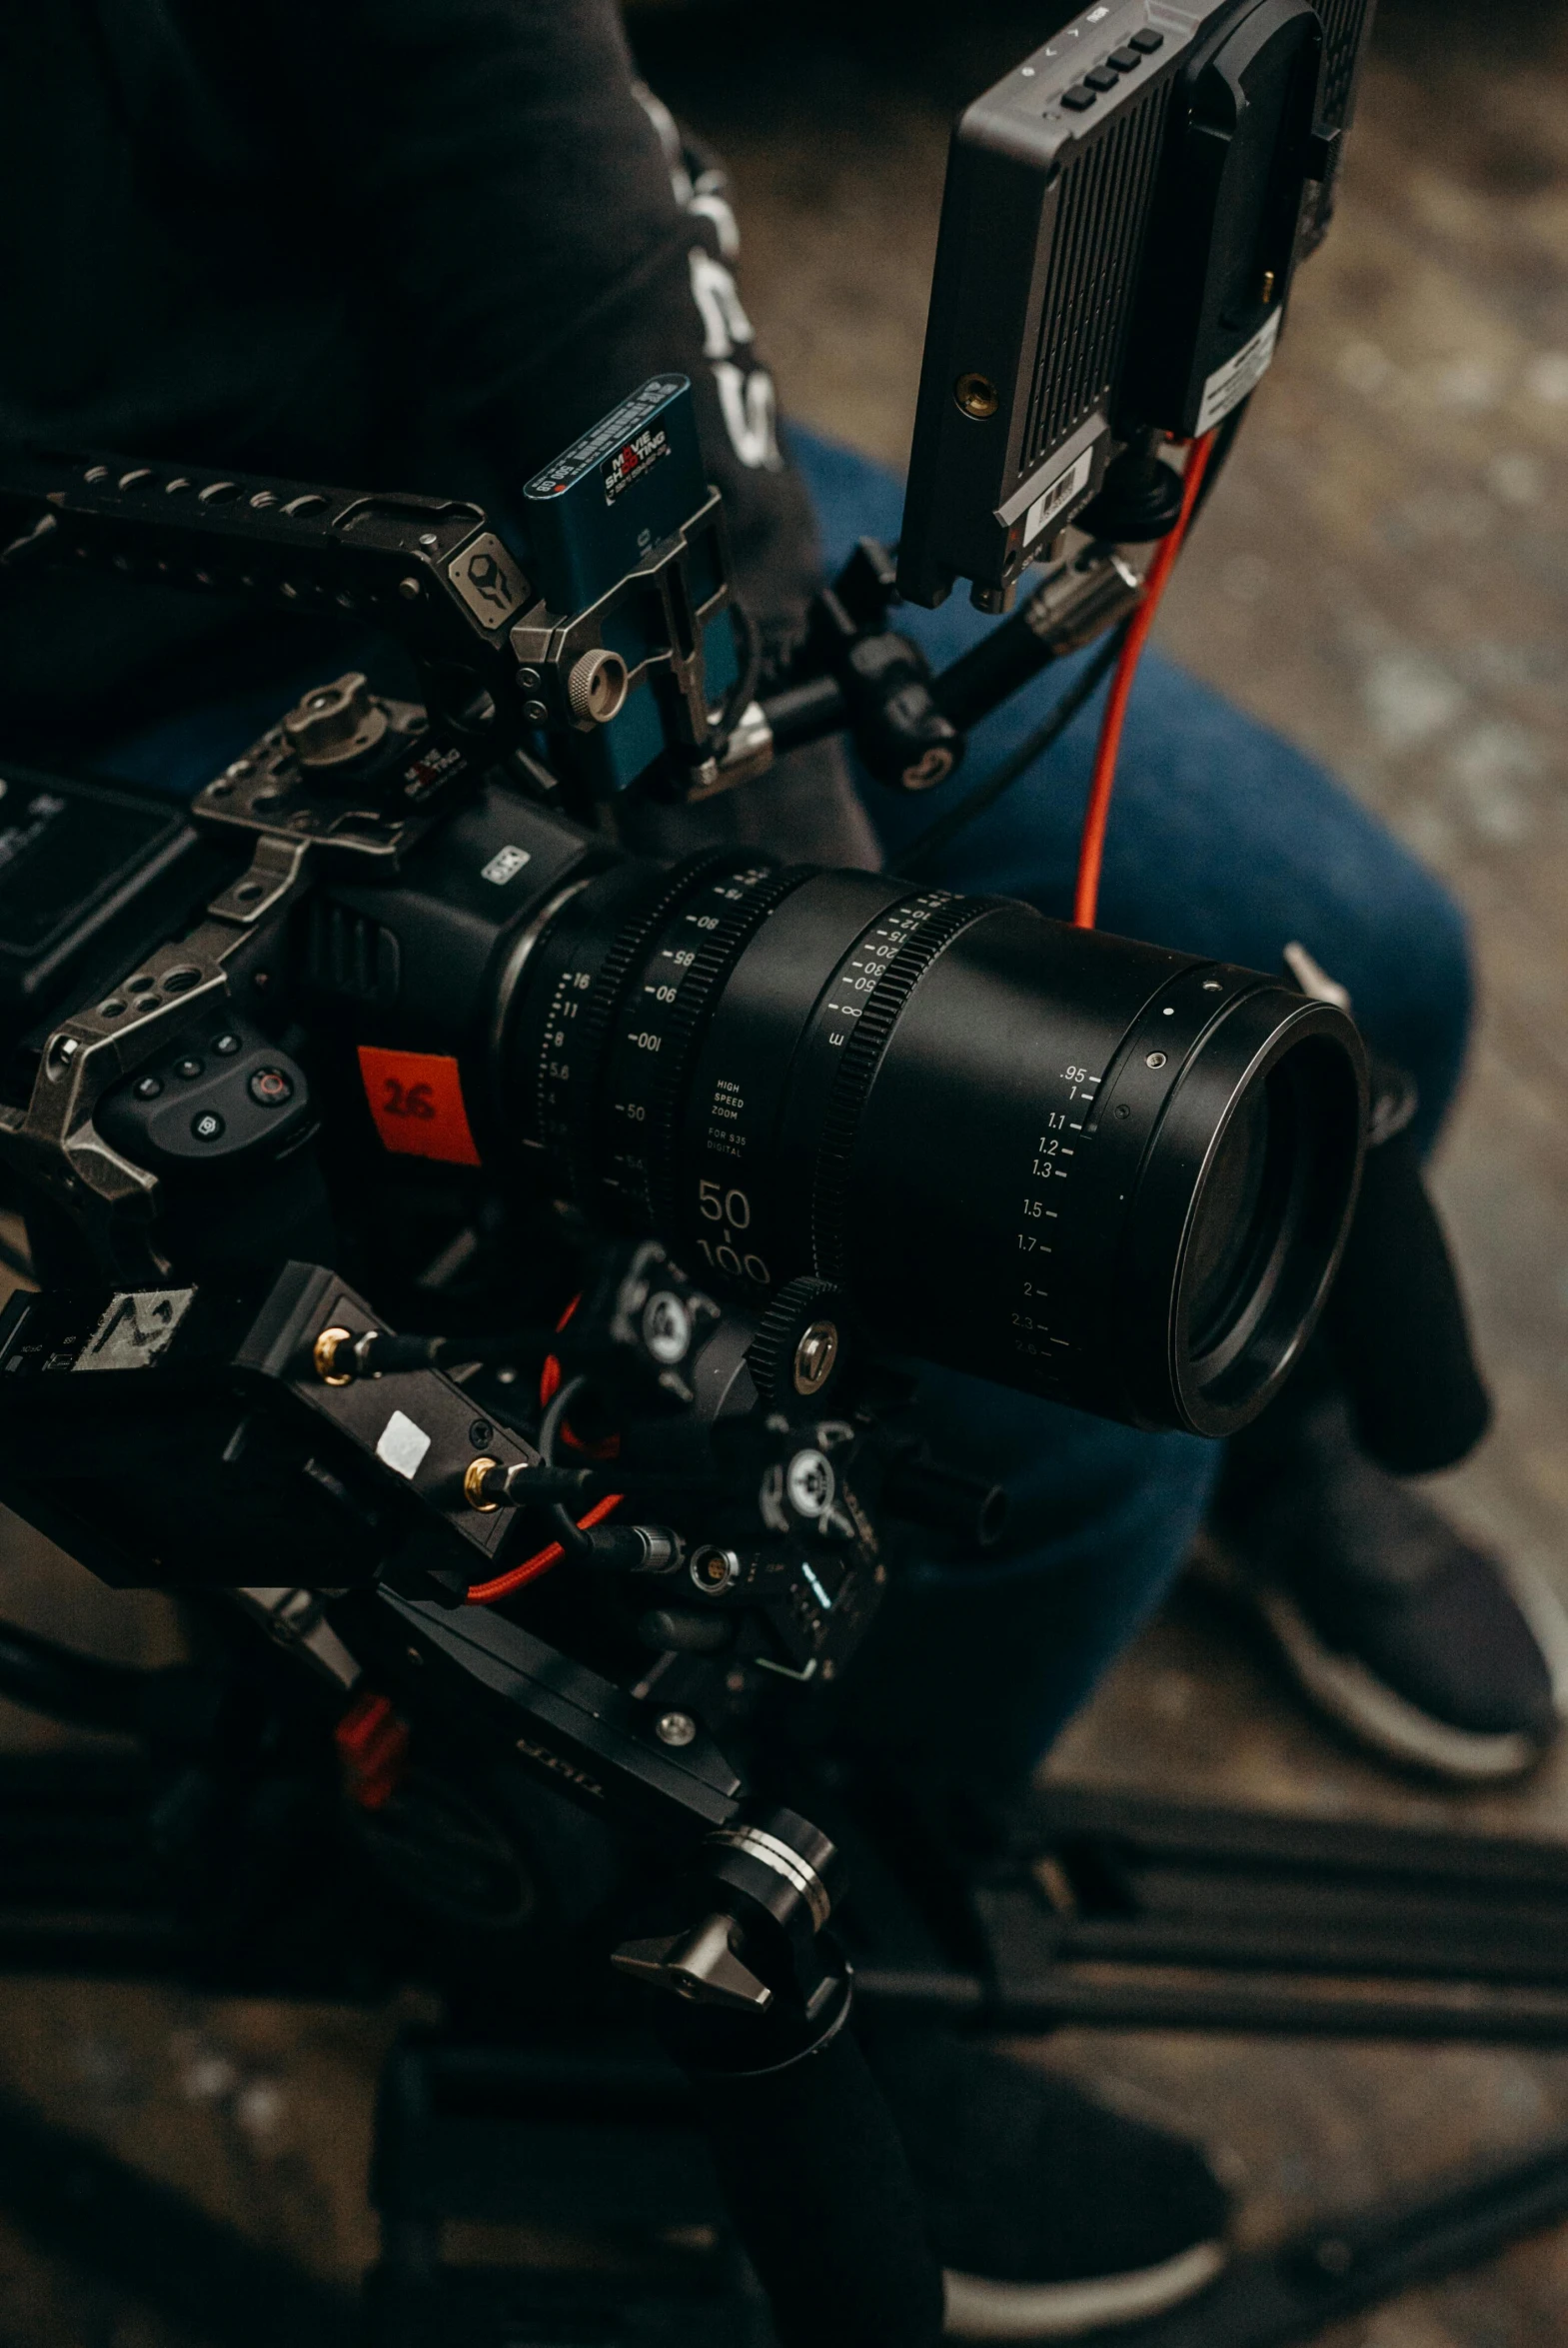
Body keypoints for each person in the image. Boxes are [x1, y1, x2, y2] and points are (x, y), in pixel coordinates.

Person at [2, 5, 1562, 2337]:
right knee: (1035, 1419)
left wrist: (765, 852)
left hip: (506, 472)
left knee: (1364, 967)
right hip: (104, 716)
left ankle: (1278, 1424)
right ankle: (680, 1937)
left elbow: (538, 160)